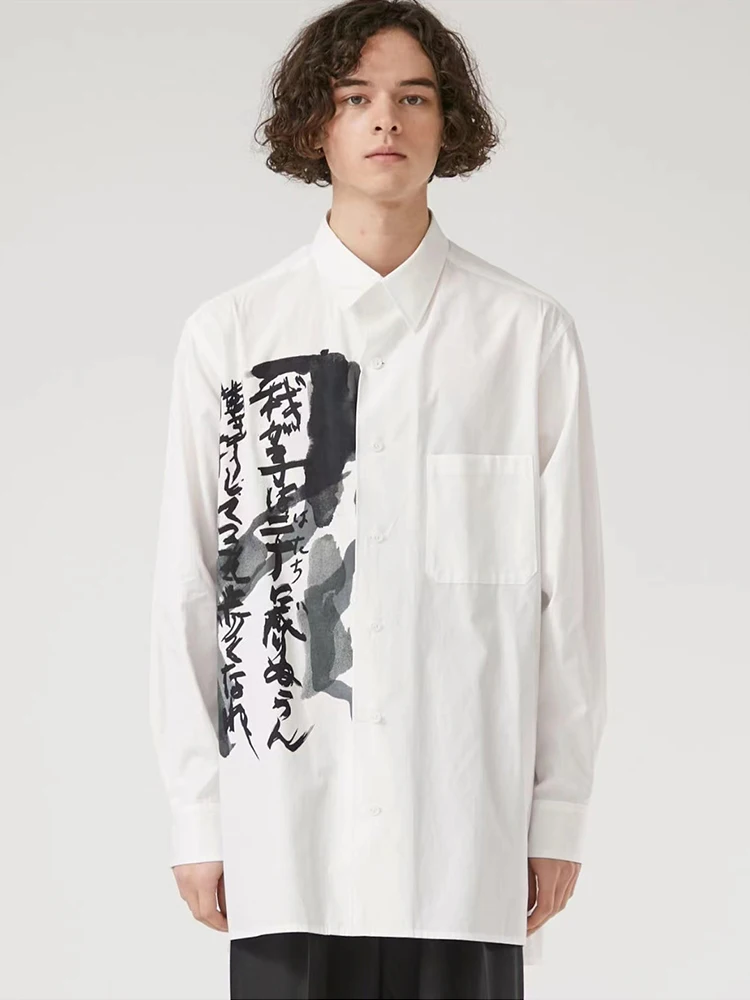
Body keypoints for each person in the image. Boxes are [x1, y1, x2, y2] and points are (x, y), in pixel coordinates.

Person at [148, 1, 608, 997]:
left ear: (450, 124)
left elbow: (567, 603)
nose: (386, 120)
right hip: (285, 836)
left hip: (465, 841)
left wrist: (558, 811)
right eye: (356, 98)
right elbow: (193, 588)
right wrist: (198, 814)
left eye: (414, 98)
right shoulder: (233, 337)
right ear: (315, 124)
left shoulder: (524, 338)